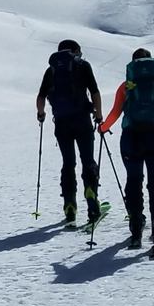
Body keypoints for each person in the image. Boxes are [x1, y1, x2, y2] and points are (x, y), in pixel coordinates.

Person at [99, 49, 154, 256]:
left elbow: (115, 113)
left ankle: (136, 231)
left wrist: (102, 127)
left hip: (131, 139)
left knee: (133, 181)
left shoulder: (126, 86)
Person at [35, 39, 104, 224]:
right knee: (87, 160)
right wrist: (98, 114)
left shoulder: (52, 71)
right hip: (82, 121)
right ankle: (91, 198)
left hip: (62, 124)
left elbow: (41, 97)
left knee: (68, 163)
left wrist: (41, 114)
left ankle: (70, 204)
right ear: (75, 51)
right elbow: (95, 91)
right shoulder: (83, 66)